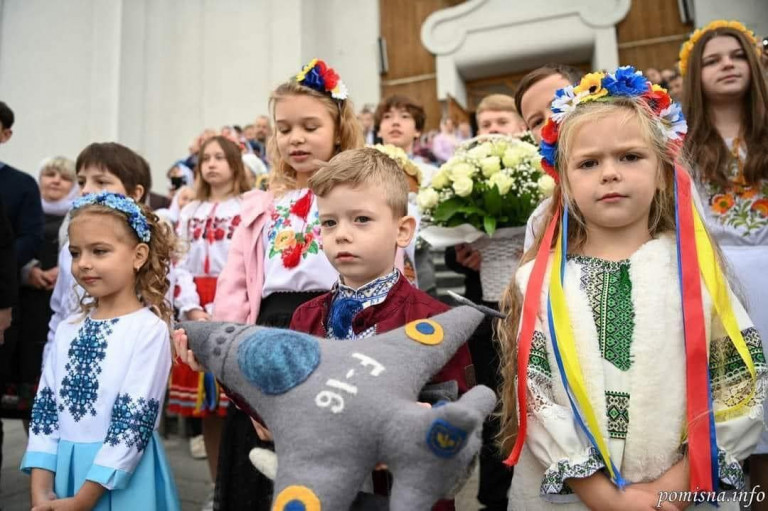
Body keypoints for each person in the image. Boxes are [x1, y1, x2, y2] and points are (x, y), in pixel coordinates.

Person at [498, 67, 766, 510]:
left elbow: (739, 383)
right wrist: (605, 497)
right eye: (588, 163)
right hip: (577, 498)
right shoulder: (539, 282)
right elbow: (537, 395)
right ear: (563, 181)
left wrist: (676, 487)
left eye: (629, 156)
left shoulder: (696, 274)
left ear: (663, 172)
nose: (609, 173)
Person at [173, 58, 364, 511]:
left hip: (332, 326)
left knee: (321, 451)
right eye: (284, 128)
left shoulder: (359, 190)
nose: (295, 138)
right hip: (268, 331)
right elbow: (236, 281)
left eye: (309, 126)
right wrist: (222, 341)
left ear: (338, 129)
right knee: (259, 451)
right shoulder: (262, 202)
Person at [289, 147, 473, 511]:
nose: (342, 234)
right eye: (329, 222)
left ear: (402, 230)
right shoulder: (304, 318)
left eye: (361, 219)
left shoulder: (436, 321)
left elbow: (460, 412)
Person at [21, 192, 180, 510]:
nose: (84, 264)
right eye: (76, 252)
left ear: (138, 255)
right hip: (64, 475)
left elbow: (134, 419)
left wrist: (83, 500)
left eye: (100, 251)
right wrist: (40, 490)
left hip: (123, 479)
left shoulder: (147, 331)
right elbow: (46, 408)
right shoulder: (68, 327)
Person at [680, 19, 768, 510]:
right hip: (718, 282)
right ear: (696, 75)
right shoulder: (683, 143)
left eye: (736, 55)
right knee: (740, 408)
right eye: (712, 60)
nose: (727, 65)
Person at [167, 135, 250, 497]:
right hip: (197, 305)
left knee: (240, 406)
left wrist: (226, 308)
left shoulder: (247, 205)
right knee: (209, 412)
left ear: (235, 162)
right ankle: (218, 491)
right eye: (206, 158)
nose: (212, 164)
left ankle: (246, 489)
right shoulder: (189, 211)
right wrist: (192, 308)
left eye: (220, 157)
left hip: (237, 305)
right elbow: (178, 264)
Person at [46, 143, 153, 364]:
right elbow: (60, 309)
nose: (86, 190)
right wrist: (50, 358)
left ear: (135, 193)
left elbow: (156, 308)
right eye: (82, 181)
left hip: (121, 357)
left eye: (101, 182)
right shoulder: (70, 244)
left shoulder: (146, 250)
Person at [8, 158, 78, 425]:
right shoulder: (26, 209)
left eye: (64, 177)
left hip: (60, 304)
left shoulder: (78, 214)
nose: (55, 181)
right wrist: (29, 271)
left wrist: (65, 270)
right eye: (49, 174)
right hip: (25, 304)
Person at [374, 94, 438, 294]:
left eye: (404, 116)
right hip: (371, 276)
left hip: (422, 276)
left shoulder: (433, 174)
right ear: (378, 129)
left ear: (418, 130)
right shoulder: (360, 170)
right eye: (387, 117)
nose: (395, 122)